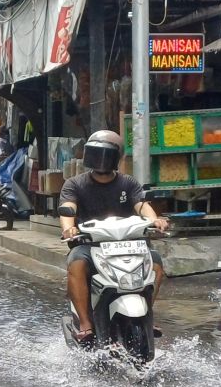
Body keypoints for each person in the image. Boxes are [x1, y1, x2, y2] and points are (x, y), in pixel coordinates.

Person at [59, 129, 169, 346]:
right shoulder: (74, 184)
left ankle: (147, 313)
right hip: (90, 245)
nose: (101, 159)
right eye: (96, 153)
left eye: (106, 154)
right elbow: (67, 207)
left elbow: (142, 206)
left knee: (155, 263)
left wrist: (155, 221)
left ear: (116, 157)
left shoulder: (128, 183)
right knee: (76, 264)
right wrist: (69, 228)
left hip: (130, 245)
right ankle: (85, 324)